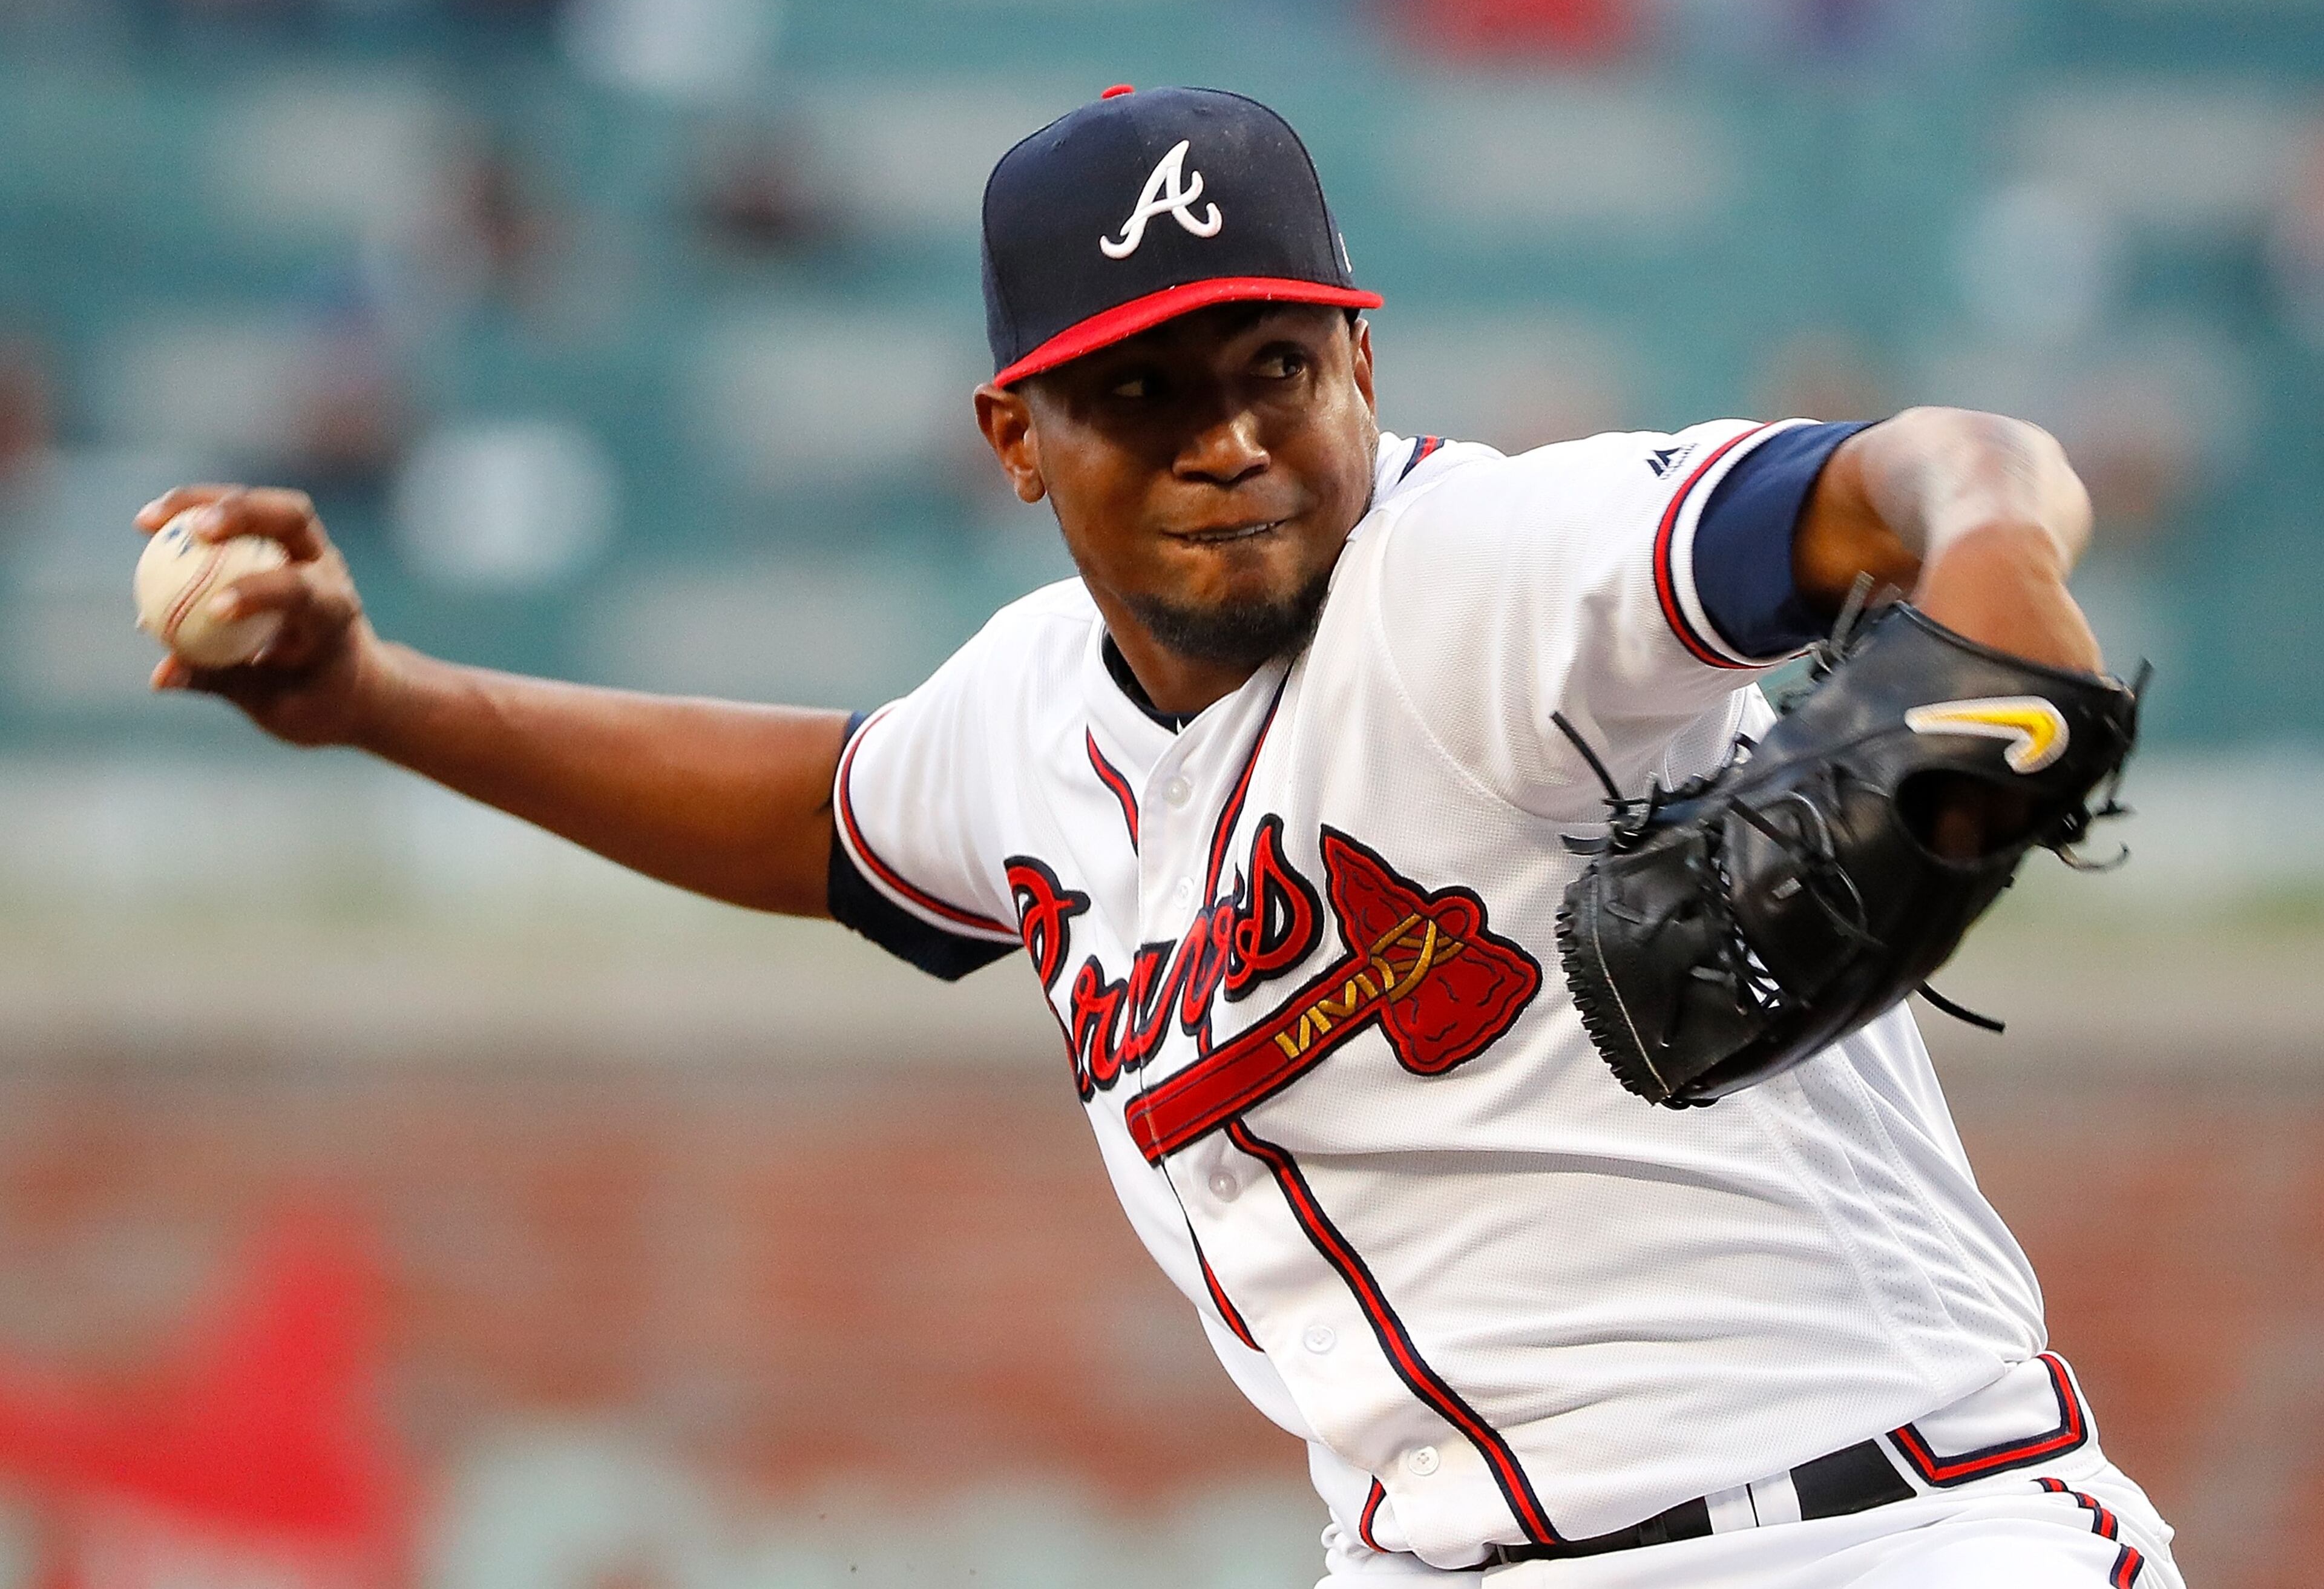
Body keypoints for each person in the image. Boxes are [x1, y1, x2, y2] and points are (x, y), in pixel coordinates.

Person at [137, 87, 2178, 1588]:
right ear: (1016, 438)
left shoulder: (1481, 570)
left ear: (1364, 362)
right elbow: (816, 813)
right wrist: (368, 698)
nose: (1229, 439)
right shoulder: (1027, 718)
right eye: (1143, 394)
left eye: (1277, 367)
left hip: (1878, 1530)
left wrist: (1990, 548)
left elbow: (1948, 468)